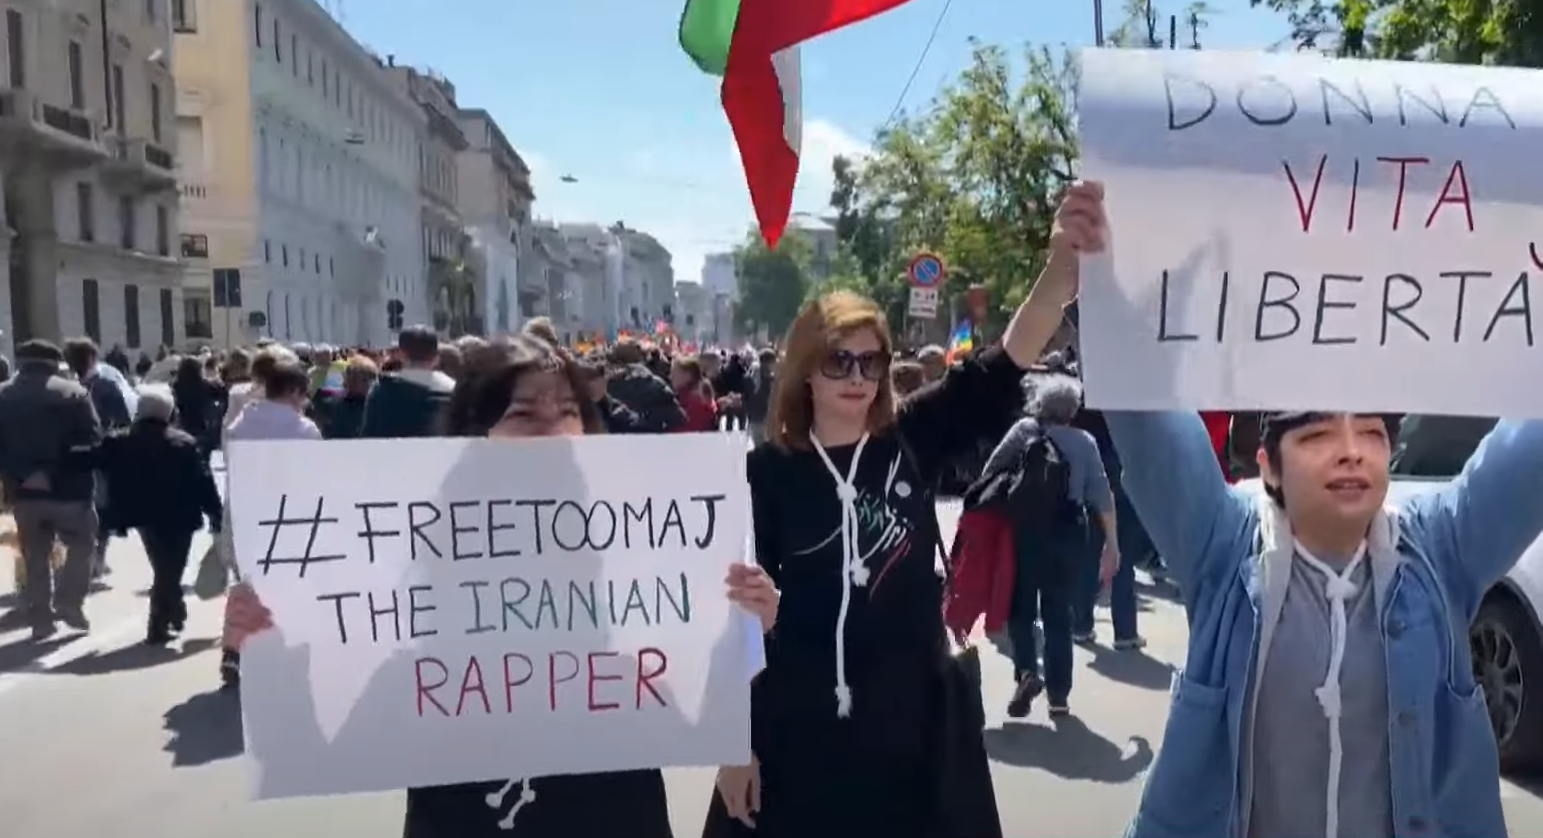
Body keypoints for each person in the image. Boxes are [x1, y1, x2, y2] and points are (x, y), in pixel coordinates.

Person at [1020, 179, 1543, 838]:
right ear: (1266, 466)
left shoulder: (1441, 552)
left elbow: (1528, 454)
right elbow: (1151, 421)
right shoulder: (1224, 550)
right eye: (1318, 435)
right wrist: (1098, 280)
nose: (1350, 452)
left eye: (1373, 433)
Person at [223, 334, 780, 837]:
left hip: (612, 814)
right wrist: (270, 648)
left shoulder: (644, 541)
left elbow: (691, 701)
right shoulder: (410, 549)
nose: (554, 430)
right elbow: (329, 735)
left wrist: (751, 627)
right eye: (524, 414)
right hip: (463, 818)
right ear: (476, 432)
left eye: (568, 411)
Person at [704, 275, 1080, 838]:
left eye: (870, 362)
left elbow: (1003, 363)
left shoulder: (911, 436)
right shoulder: (767, 474)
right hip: (802, 725)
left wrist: (1058, 272)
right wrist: (734, 748)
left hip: (911, 724)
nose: (858, 377)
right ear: (806, 367)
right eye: (839, 361)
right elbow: (735, 628)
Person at [983, 370, 1116, 718]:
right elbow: (1101, 495)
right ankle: (1059, 696)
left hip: (1025, 531)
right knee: (1058, 614)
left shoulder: (1023, 432)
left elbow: (990, 471)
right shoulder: (1085, 441)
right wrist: (1112, 545)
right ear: (1073, 409)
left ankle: (1027, 671)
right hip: (1070, 530)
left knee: (1021, 609)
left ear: (1039, 403)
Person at [96, 384, 223, 643]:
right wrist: (215, 513)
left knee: (164, 567)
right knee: (171, 568)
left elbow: (93, 460)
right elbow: (203, 481)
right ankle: (160, 620)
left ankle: (170, 612)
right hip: (181, 515)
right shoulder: (184, 443)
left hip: (143, 514)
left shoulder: (119, 440)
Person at [0, 340, 102, 638]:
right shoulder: (74, 393)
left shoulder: (3, 395)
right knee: (83, 544)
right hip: (69, 491)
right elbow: (92, 440)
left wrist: (23, 474)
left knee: (35, 555)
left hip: (23, 493)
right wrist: (50, 472)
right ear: (56, 364)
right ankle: (70, 601)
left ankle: (40, 619)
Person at [359, 325, 456, 438]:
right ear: (435, 357)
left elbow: (368, 439)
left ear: (401, 354)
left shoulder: (380, 391)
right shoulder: (453, 392)